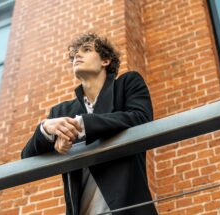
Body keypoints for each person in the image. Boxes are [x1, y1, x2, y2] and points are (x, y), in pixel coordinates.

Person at [21, 32, 158, 215]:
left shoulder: (127, 84)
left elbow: (141, 118)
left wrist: (82, 126)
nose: (77, 55)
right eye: (75, 53)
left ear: (105, 60)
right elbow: (27, 159)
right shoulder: (61, 113)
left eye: (86, 50)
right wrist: (46, 129)